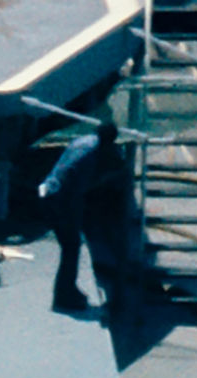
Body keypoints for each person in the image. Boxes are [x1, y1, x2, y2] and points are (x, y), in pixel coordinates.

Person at [37, 112, 123, 316]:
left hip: (54, 194)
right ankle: (64, 295)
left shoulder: (84, 141)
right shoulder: (90, 152)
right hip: (60, 200)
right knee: (71, 247)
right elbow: (71, 181)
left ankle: (67, 290)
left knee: (70, 247)